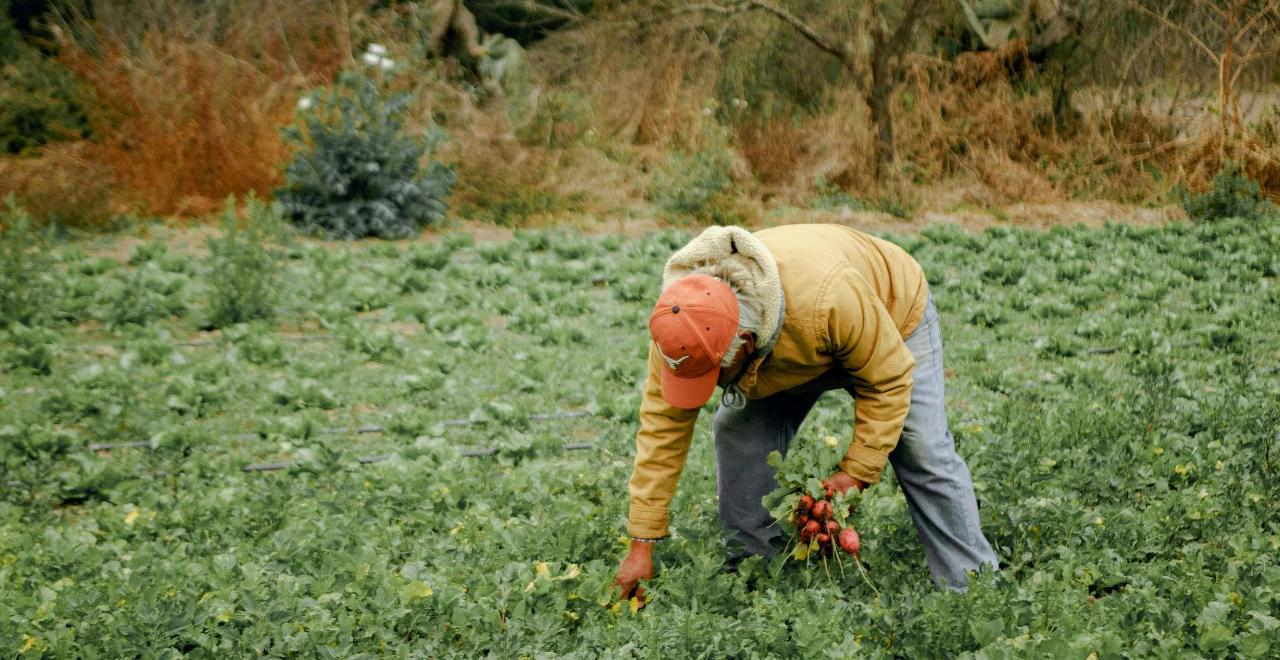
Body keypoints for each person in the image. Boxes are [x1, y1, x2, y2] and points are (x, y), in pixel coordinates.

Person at [613, 224, 998, 597]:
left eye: (715, 375)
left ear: (745, 344)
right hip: (791, 343)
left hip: (889, 314)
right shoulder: (684, 330)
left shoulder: (829, 297)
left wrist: (857, 472)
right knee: (738, 434)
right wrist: (641, 542)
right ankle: (754, 573)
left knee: (921, 448)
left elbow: (889, 380)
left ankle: (972, 585)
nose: (710, 386)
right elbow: (662, 431)